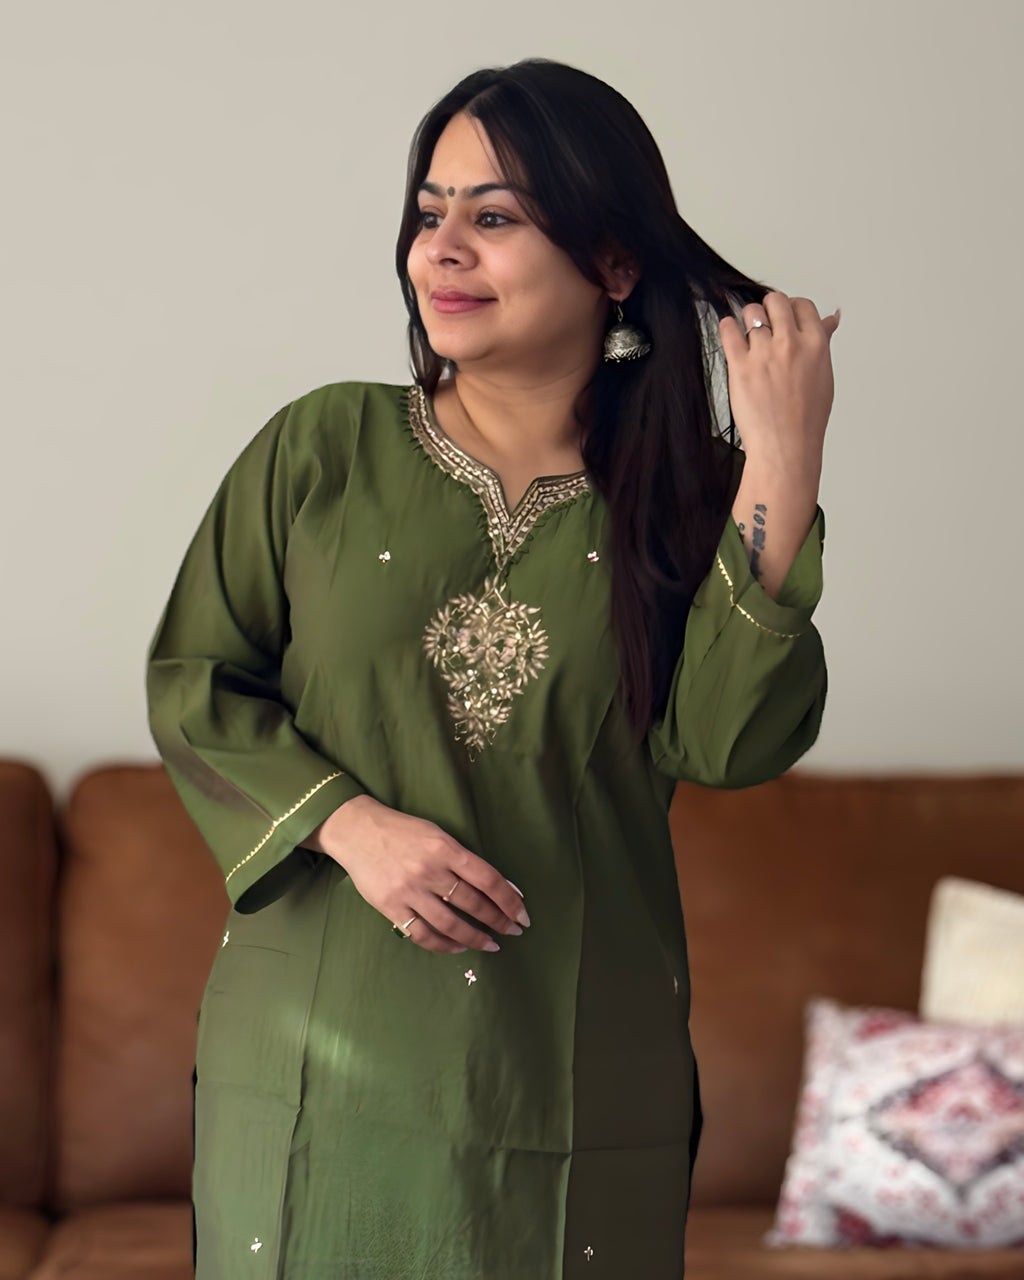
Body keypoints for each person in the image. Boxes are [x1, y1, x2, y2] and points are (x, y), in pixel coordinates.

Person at [146, 57, 837, 1279]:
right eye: (430, 211)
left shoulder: (682, 499)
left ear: (613, 265)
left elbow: (729, 743)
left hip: (568, 1060)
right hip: (317, 1044)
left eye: (496, 215)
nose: (442, 247)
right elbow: (196, 680)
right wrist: (351, 824)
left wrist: (783, 449)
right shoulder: (323, 445)